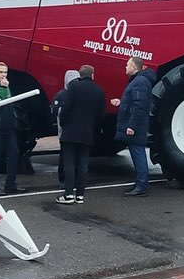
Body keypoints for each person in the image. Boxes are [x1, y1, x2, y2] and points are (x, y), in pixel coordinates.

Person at [56, 65, 106, 204]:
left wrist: (64, 124)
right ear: (93, 75)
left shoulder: (74, 88)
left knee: (69, 163)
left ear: (80, 75)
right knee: (83, 163)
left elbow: (65, 108)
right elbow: (101, 115)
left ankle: (68, 194)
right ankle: (80, 195)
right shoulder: (99, 91)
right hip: (87, 132)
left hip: (70, 131)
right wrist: (93, 128)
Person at [111, 57, 156, 197]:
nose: (125, 67)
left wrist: (132, 126)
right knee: (136, 153)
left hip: (136, 127)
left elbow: (139, 106)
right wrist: (121, 102)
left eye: (127, 65)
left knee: (138, 154)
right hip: (136, 125)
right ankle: (139, 183)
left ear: (134, 67)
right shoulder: (138, 81)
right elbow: (134, 102)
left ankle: (141, 185)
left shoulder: (140, 82)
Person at [0, 62, 26, 196]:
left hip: (9, 128)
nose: (3, 75)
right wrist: (3, 88)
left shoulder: (5, 85)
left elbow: (9, 102)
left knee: (14, 154)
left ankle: (10, 184)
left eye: (5, 72)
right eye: (0, 72)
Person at [51, 70, 80, 187]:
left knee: (75, 157)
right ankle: (63, 179)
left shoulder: (78, 94)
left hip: (75, 130)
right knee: (65, 157)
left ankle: (73, 179)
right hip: (64, 130)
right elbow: (55, 110)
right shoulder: (61, 94)